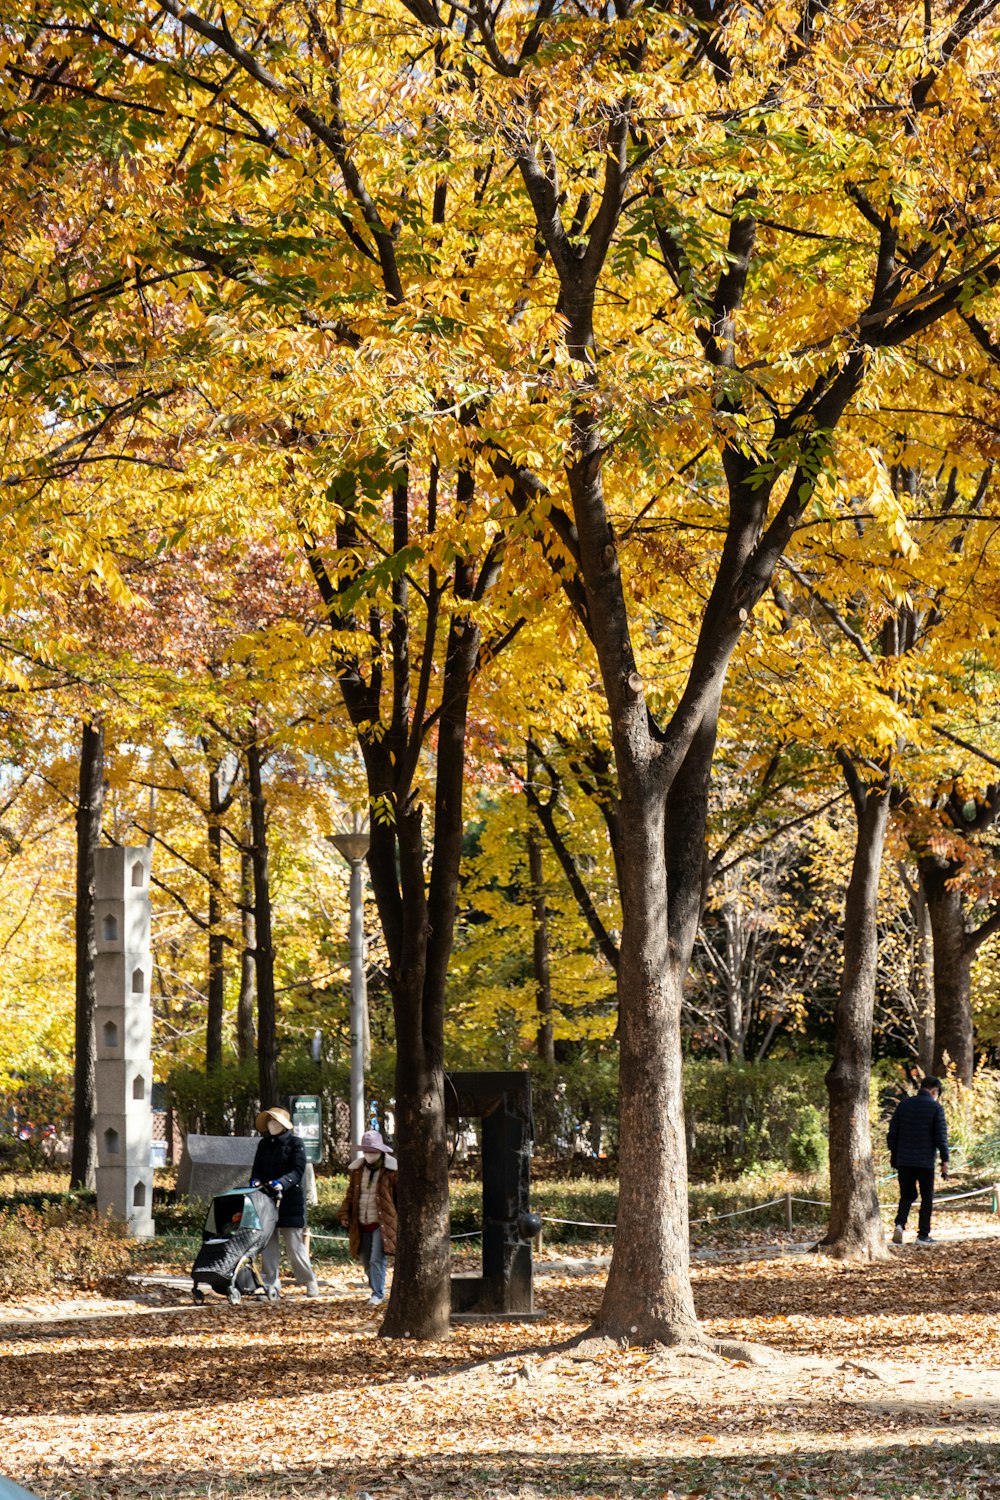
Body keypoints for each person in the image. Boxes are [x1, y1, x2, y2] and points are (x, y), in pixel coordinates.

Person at [250, 1106, 319, 1298]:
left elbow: (298, 1170)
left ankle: (309, 1280)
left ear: (283, 1124)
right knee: (268, 1246)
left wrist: (282, 1183)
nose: (271, 1125)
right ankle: (271, 1284)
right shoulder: (263, 1145)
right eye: (269, 1121)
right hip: (266, 1200)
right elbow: (257, 1169)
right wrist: (255, 1181)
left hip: (290, 1203)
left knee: (294, 1247)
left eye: (275, 1121)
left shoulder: (296, 1143)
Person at [338, 1127, 398, 1307]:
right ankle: (376, 1288)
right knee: (364, 1258)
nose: (369, 1154)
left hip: (383, 1223)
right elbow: (351, 1195)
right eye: (367, 1151)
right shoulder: (357, 1170)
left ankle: (377, 1293)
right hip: (361, 1220)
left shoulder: (391, 1171)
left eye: (373, 1151)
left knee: (376, 1258)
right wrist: (344, 1213)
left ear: (380, 1151)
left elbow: (399, 1196)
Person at [888, 1075, 950, 1246]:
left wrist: (894, 1154)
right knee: (926, 1198)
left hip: (904, 1160)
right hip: (925, 1161)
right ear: (935, 1090)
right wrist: (945, 1160)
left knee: (907, 1195)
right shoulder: (936, 1108)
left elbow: (892, 1133)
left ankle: (900, 1225)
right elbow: (941, 1137)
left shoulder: (904, 1105)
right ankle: (923, 1235)